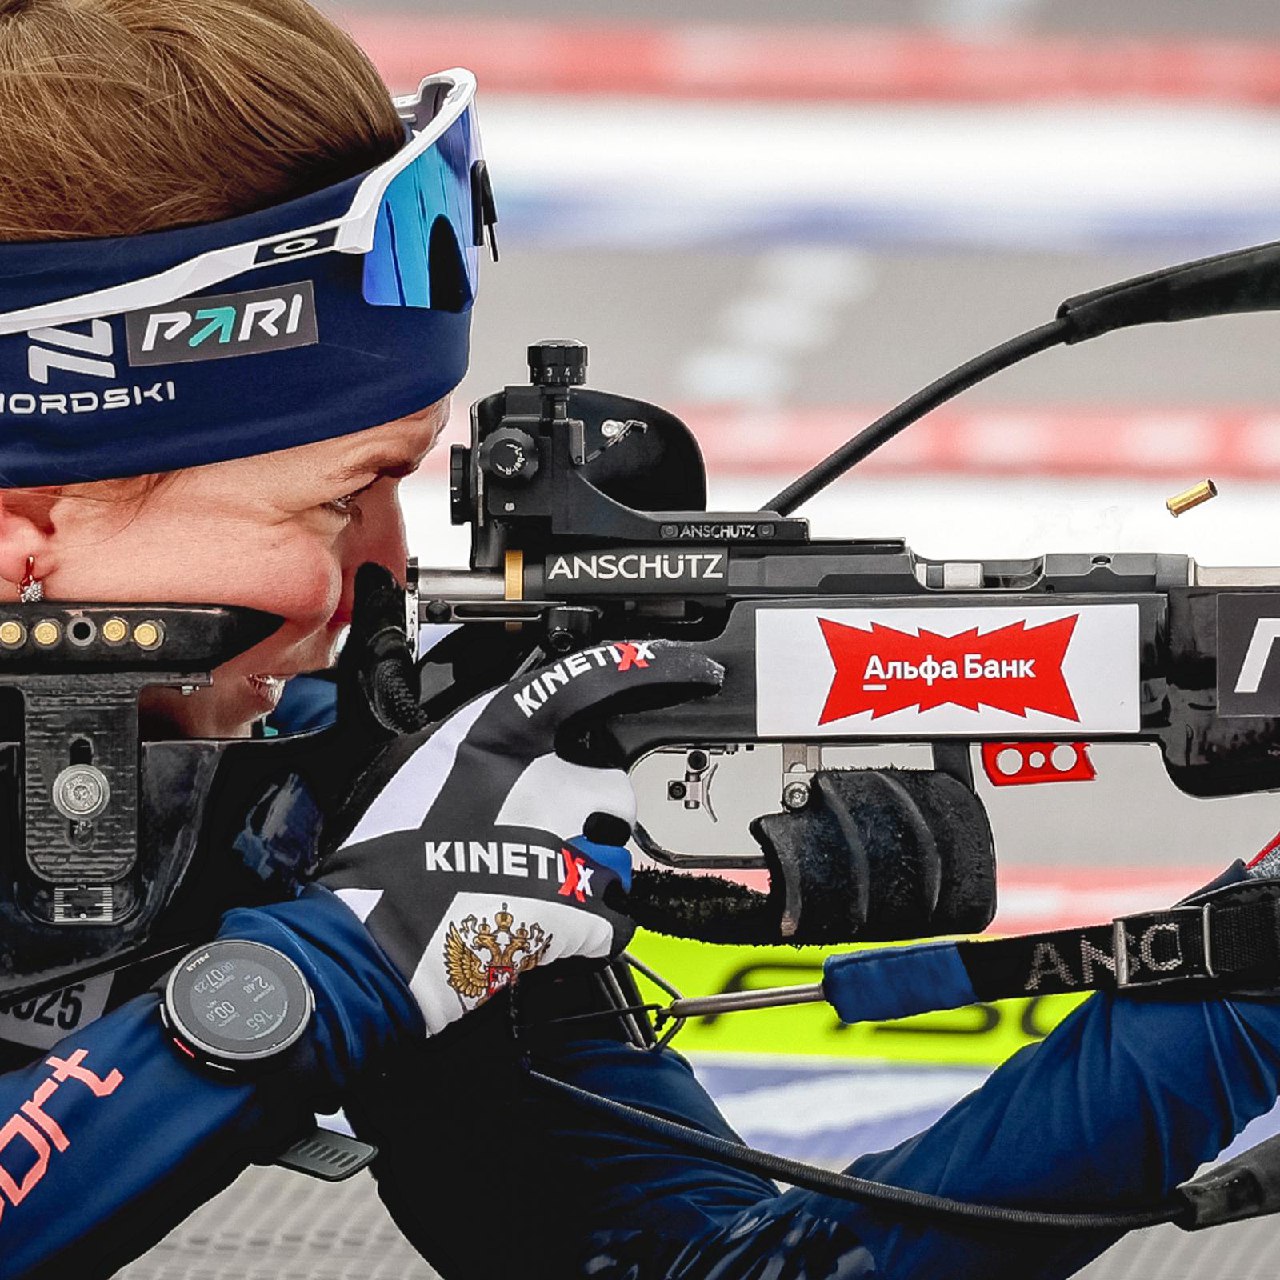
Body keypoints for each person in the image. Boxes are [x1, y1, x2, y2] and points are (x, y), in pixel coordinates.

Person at [1, 3, 1280, 1279]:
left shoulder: (291, 786)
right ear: (28, 535)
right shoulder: (337, 889)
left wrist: (1237, 983)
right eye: (337, 500)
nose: (386, 577)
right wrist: (343, 967)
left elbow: (711, 1268)